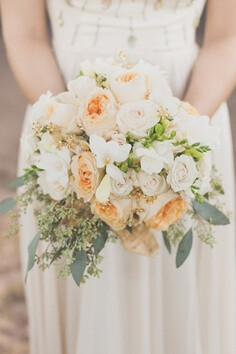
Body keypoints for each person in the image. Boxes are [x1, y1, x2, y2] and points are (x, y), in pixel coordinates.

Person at [1, 0, 236, 353]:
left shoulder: (186, 131)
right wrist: (74, 140)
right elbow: (25, 34)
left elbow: (226, 36)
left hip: (191, 109)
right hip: (65, 117)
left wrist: (178, 140)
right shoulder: (67, 135)